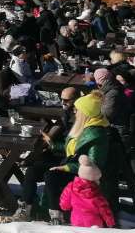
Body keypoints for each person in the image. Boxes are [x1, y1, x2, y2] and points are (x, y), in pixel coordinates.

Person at [42, 92, 110, 225]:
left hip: (85, 176)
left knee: (51, 175)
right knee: (36, 166)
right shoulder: (86, 127)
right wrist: (53, 145)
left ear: (85, 112)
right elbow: (73, 150)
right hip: (71, 163)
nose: (74, 110)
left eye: (77, 109)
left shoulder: (96, 134)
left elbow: (94, 166)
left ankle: (57, 215)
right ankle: (27, 206)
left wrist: (66, 167)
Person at [16, 87, 79, 219]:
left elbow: (76, 147)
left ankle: (55, 214)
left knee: (50, 175)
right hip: (57, 155)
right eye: (61, 99)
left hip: (72, 161)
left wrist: (52, 144)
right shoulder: (67, 113)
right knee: (32, 171)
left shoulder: (81, 118)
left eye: (66, 100)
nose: (63, 103)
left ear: (76, 100)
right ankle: (25, 208)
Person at [59, 154, 115, 228]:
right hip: (94, 223)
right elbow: (104, 209)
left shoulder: (71, 187)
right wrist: (110, 222)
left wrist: (65, 207)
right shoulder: (96, 192)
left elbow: (64, 205)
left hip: (76, 221)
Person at [94, 68, 130, 144]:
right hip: (118, 125)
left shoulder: (112, 93)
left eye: (98, 83)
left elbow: (107, 113)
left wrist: (94, 112)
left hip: (118, 128)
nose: (98, 86)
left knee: (120, 150)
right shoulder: (113, 86)